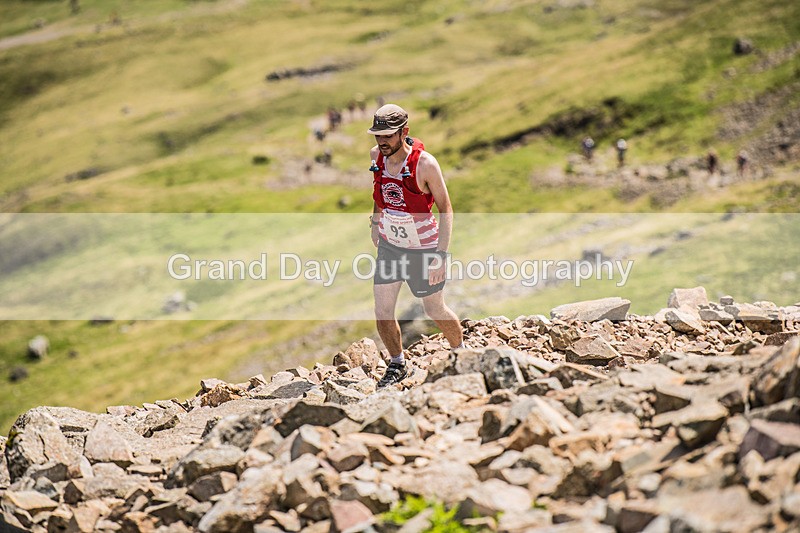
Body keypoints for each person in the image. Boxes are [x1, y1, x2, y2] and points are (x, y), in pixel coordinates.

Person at [367, 104, 464, 387]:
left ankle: (461, 354)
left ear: (404, 133)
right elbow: (380, 190)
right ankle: (397, 364)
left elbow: (446, 209)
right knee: (382, 310)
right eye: (377, 136)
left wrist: (441, 256)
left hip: (424, 248)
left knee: (434, 309)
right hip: (390, 245)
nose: (382, 142)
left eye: (388, 136)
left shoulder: (426, 165)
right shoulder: (377, 157)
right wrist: (375, 223)